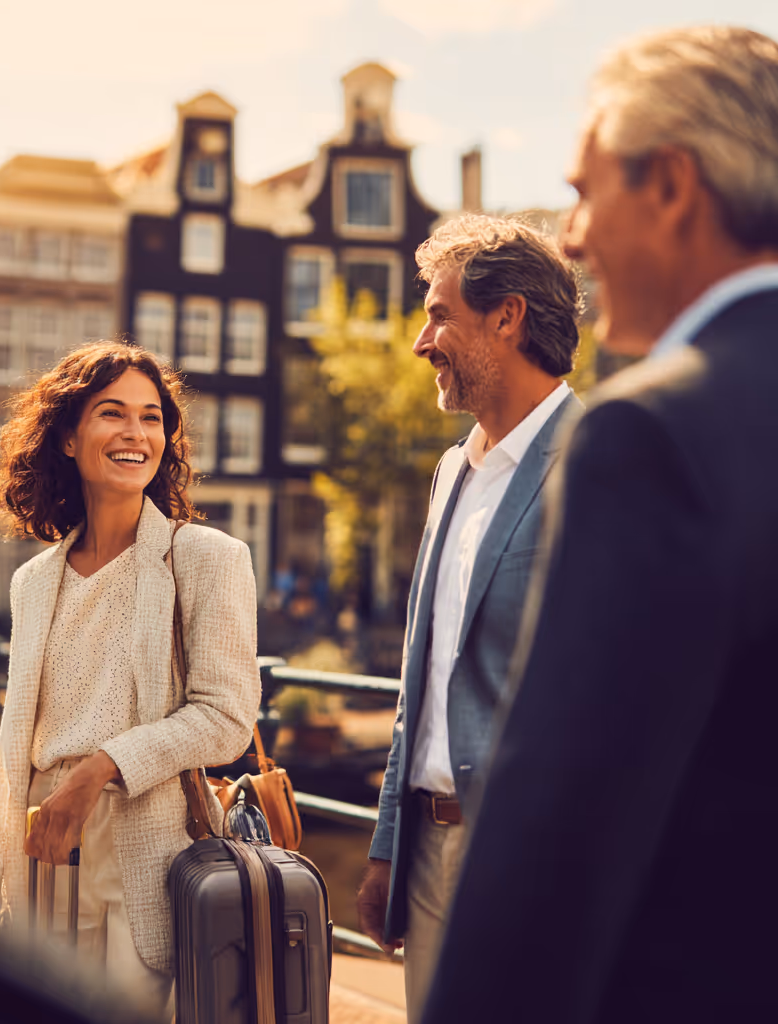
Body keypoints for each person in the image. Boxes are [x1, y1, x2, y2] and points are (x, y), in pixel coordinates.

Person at [423, 26, 778, 1024]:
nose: (571, 237)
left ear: (670, 185)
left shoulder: (653, 432)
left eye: (584, 192)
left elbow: (555, 826)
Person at [0, 341, 260, 1017]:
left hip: (145, 858)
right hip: (40, 852)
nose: (136, 433)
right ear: (69, 438)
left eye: (152, 417)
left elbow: (226, 716)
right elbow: (13, 753)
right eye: (112, 414)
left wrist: (97, 769)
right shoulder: (33, 582)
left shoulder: (206, 559)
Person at [357, 214, 583, 1023]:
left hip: (526, 861)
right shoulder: (453, 471)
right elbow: (422, 671)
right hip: (426, 851)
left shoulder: (595, 461)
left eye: (439, 313)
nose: (422, 341)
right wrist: (388, 842)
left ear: (508, 316)